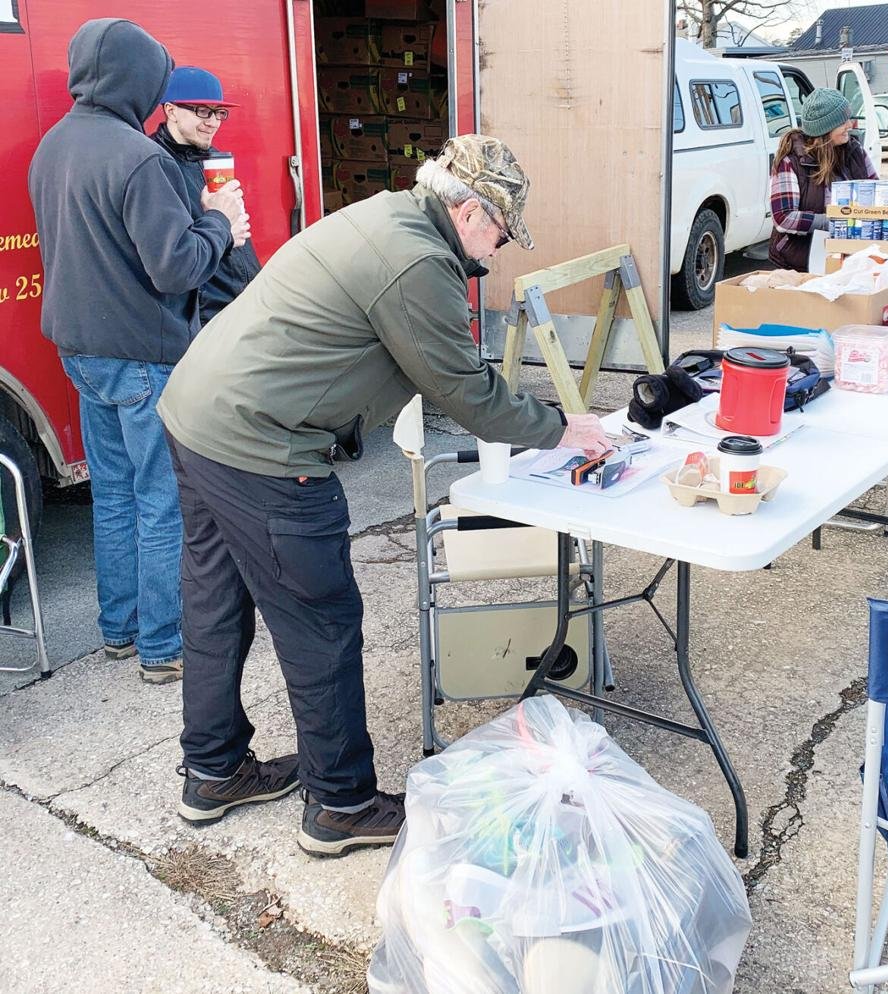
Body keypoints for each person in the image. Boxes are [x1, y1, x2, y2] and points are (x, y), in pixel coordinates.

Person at [157, 134, 610, 857]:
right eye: (498, 232)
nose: (496, 251)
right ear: (469, 213)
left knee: (215, 603)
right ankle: (340, 805)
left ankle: (212, 770)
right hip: (263, 447)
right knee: (321, 624)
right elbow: (464, 390)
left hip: (199, 416)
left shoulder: (386, 215)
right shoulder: (422, 263)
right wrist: (561, 430)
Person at [27, 18, 249, 684]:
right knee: (161, 503)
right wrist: (222, 224)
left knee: (115, 498)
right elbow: (177, 269)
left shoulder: (51, 146)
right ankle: (163, 648)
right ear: (136, 78)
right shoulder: (141, 157)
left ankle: (118, 633)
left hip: (80, 353)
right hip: (143, 356)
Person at [151, 66, 263, 325]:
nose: (212, 122)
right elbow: (173, 255)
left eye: (219, 113)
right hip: (205, 316)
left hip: (243, 304)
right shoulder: (155, 164)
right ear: (171, 110)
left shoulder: (213, 158)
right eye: (202, 111)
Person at [768, 88, 877, 272]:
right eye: (843, 121)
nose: (850, 125)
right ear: (825, 129)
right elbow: (783, 217)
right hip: (798, 263)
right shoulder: (790, 161)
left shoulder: (855, 151)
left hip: (849, 258)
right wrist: (834, 221)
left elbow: (878, 193)